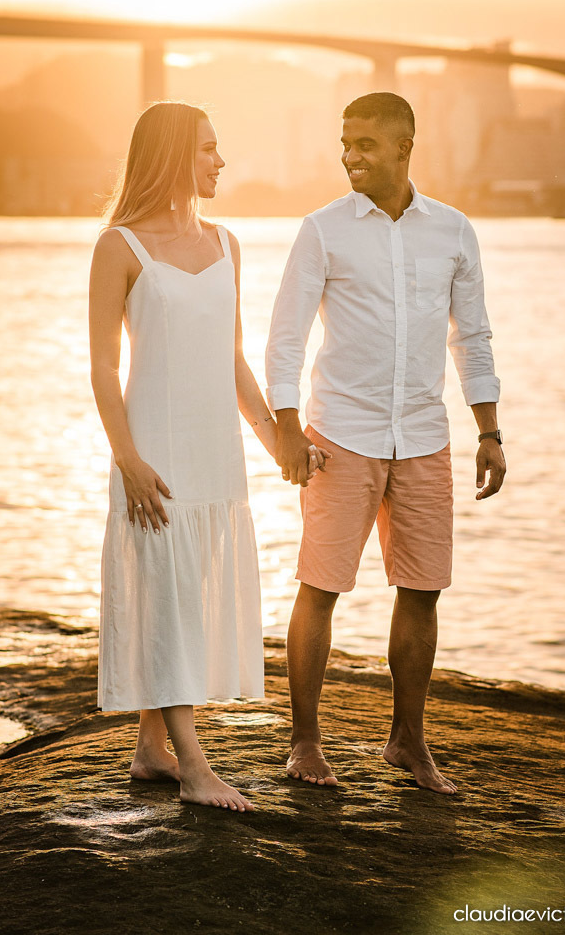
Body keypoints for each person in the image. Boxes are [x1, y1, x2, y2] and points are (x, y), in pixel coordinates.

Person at [265, 92, 506, 795]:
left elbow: (473, 334)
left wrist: (487, 430)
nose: (350, 156)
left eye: (365, 143)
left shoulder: (453, 231)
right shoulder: (322, 230)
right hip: (340, 433)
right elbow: (286, 334)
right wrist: (286, 427)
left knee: (423, 589)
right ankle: (305, 742)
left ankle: (406, 740)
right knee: (320, 587)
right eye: (344, 142)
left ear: (403, 146)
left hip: (424, 435)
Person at [89, 101, 306, 812]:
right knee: (168, 596)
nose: (221, 162)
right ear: (176, 156)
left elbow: (232, 357)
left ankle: (150, 748)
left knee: (189, 594)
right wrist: (127, 458)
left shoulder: (227, 243)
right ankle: (193, 766)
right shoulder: (118, 246)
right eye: (210, 149)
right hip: (153, 448)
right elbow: (100, 369)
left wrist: (276, 435)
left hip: (215, 449)